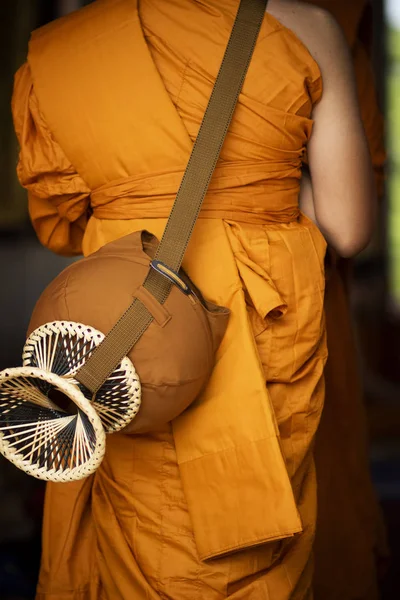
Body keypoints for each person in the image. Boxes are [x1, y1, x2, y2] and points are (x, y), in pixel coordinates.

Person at [11, 0, 376, 598]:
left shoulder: (58, 50)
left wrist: (138, 193)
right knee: (250, 543)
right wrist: (262, 182)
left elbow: (60, 227)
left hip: (123, 347)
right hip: (255, 348)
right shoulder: (305, 27)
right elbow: (348, 226)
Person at [299, 2, 388, 598]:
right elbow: (348, 225)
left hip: (155, 314)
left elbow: (64, 224)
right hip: (294, 307)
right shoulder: (318, 32)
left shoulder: (93, 41)